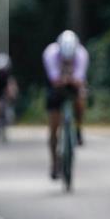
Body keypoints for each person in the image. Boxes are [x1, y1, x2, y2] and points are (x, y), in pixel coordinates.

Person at [43, 30, 89, 178]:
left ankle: (78, 128)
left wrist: (72, 80)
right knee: (53, 127)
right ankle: (54, 163)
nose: (67, 61)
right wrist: (66, 79)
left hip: (72, 84)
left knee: (81, 98)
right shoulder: (50, 53)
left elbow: (80, 79)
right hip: (55, 86)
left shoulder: (81, 54)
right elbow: (54, 79)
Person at [0, 53, 19, 140]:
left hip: (4, 92)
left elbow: (11, 84)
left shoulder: (8, 73)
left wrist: (13, 94)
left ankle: (5, 124)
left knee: (8, 110)